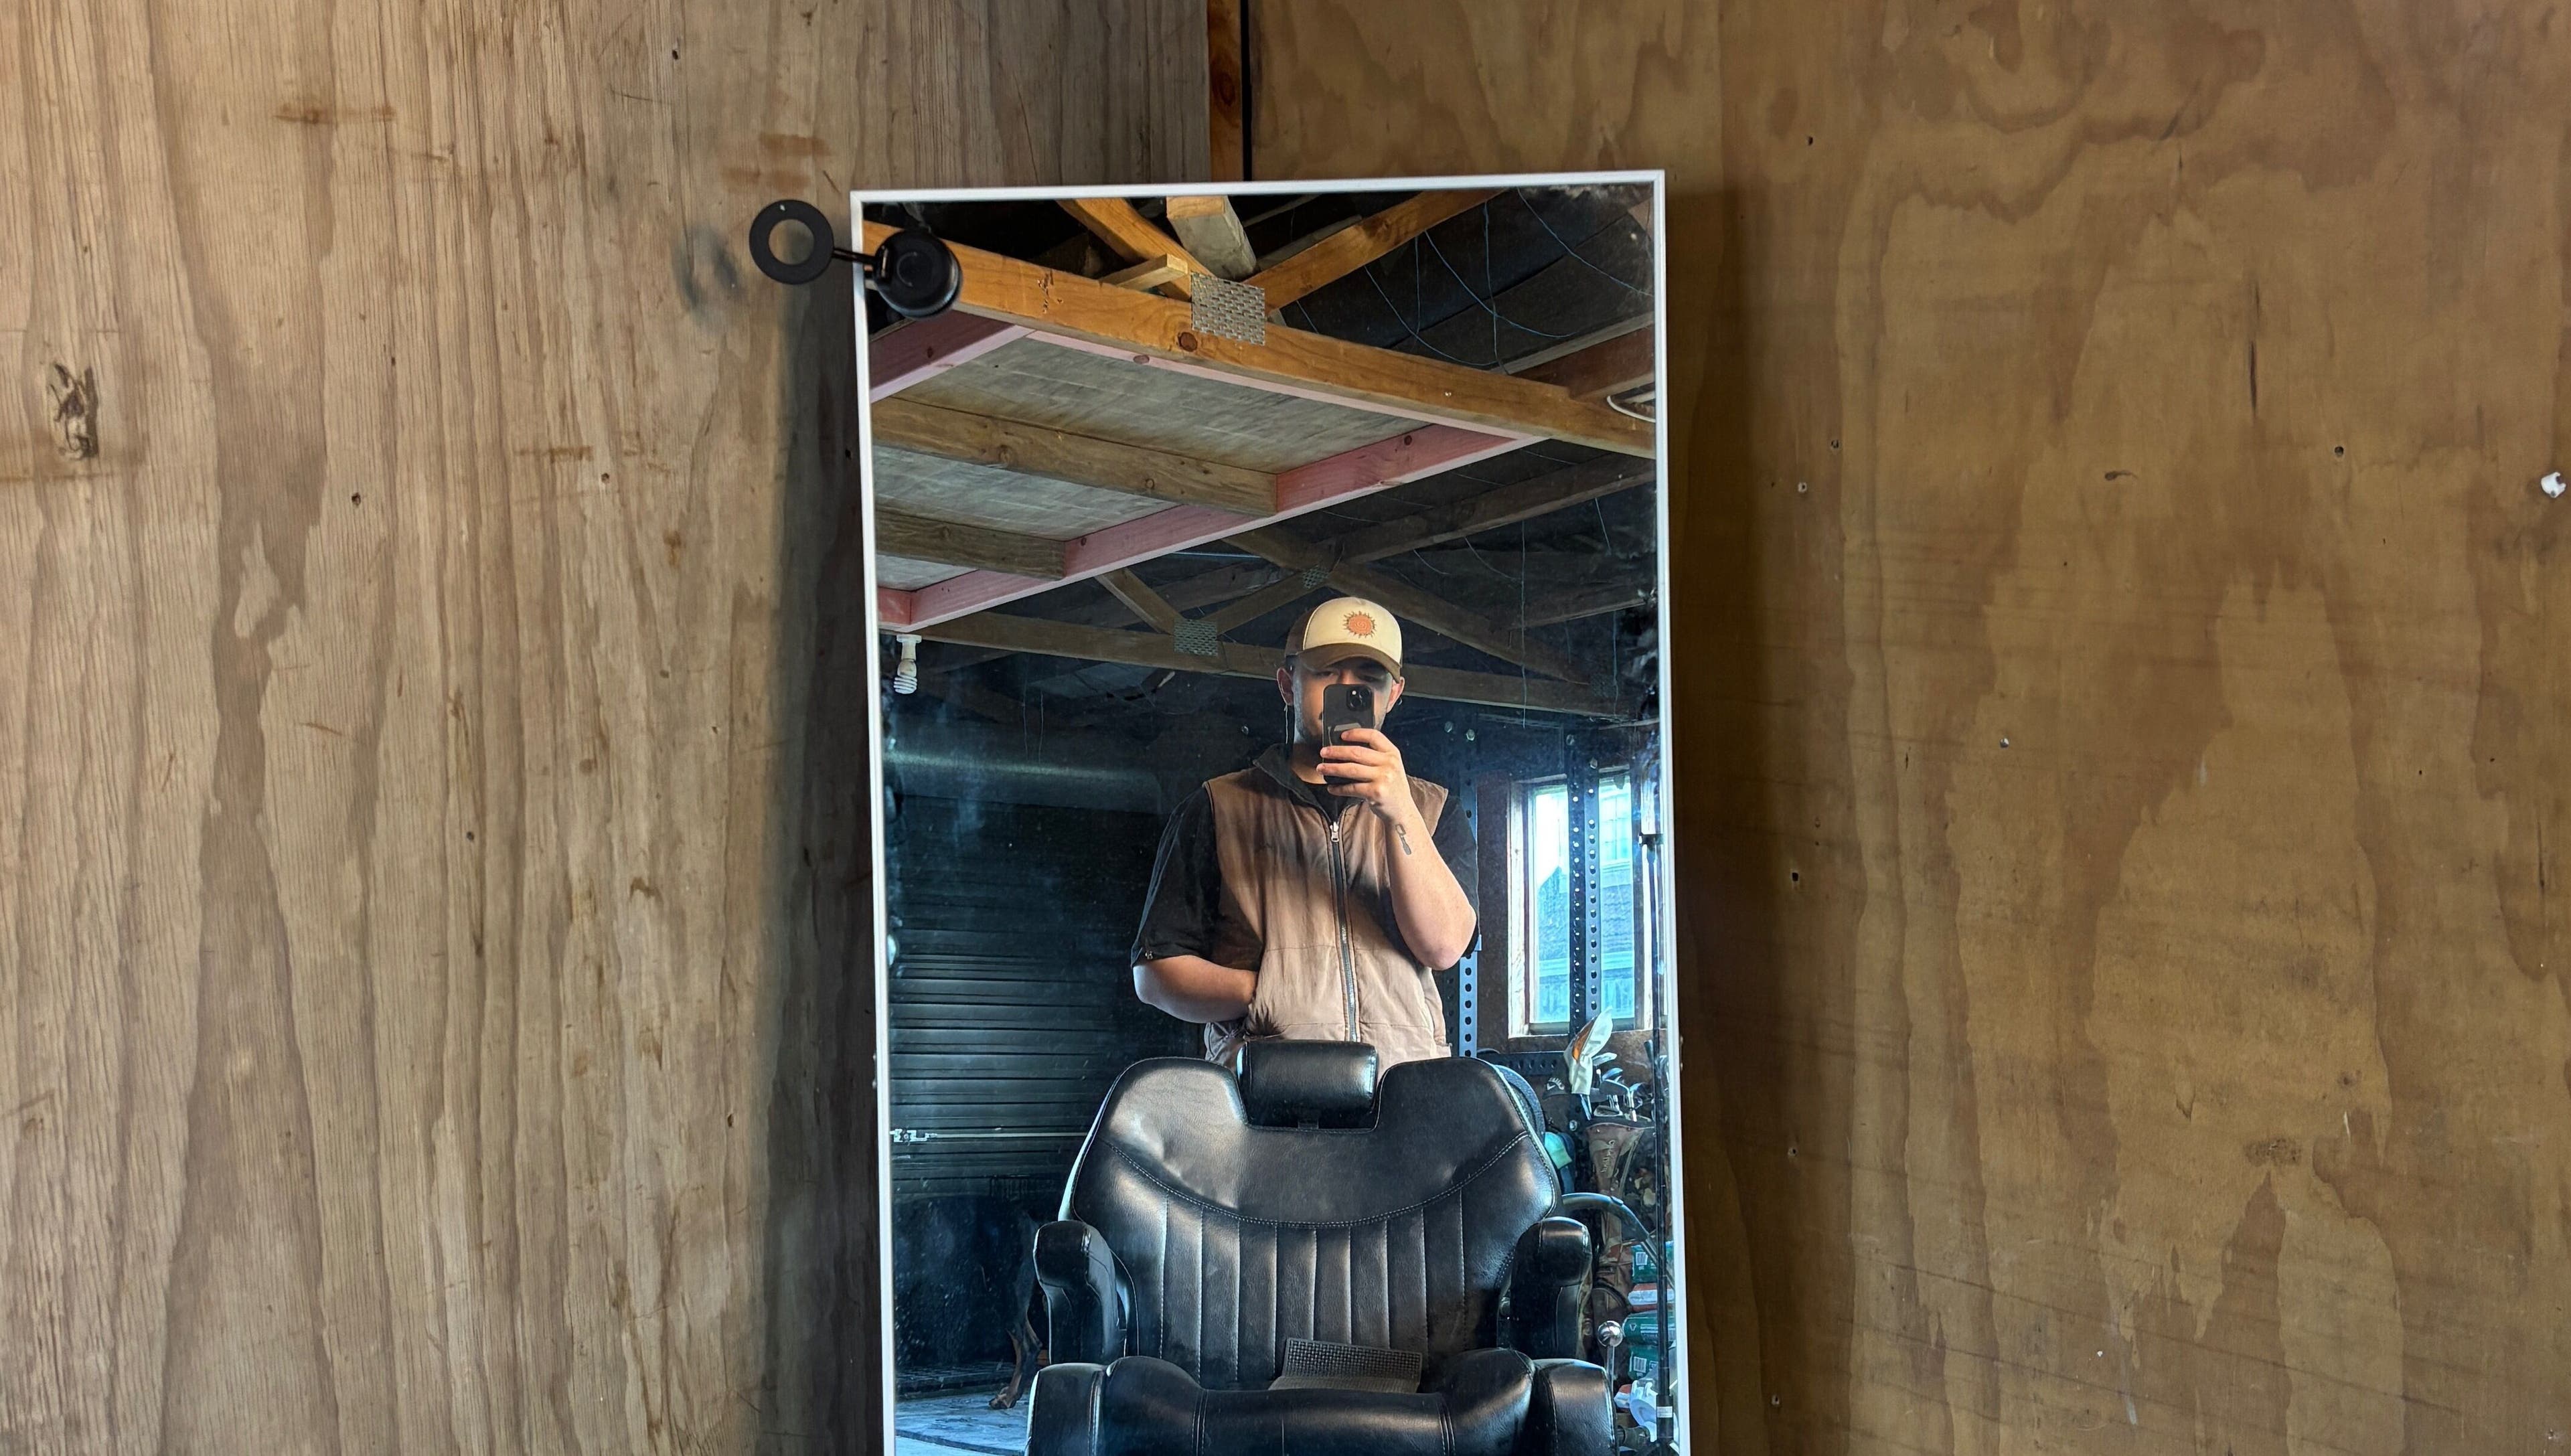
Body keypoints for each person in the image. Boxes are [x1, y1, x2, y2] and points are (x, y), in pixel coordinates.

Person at [1129, 596, 1478, 1069]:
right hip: (1269, 1103)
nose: (1347, 689)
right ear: (1287, 683)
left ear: (1394, 694)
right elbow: (1154, 973)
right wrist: (1264, 989)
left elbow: (1443, 947)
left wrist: (1399, 813)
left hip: (1401, 1098)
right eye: (1327, 673)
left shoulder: (1433, 810)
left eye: (1368, 679)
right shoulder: (1218, 807)